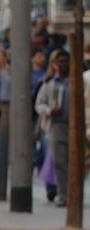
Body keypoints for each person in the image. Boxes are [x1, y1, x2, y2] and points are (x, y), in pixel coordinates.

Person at [35, 51, 72, 208]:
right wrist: (49, 111)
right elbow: (39, 104)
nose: (64, 65)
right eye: (61, 61)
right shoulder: (49, 83)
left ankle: (72, 193)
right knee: (59, 162)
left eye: (66, 61)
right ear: (55, 64)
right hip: (56, 125)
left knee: (74, 163)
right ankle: (63, 195)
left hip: (74, 128)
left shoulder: (77, 82)